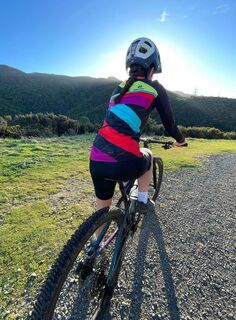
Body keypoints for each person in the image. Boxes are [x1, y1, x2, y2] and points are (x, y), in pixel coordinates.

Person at [90, 37, 187, 214]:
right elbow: (170, 125)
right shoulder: (154, 87)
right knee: (148, 154)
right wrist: (180, 140)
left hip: (97, 157)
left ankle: (95, 241)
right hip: (124, 159)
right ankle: (142, 201)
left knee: (101, 211)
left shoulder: (119, 88)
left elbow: (117, 120)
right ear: (152, 68)